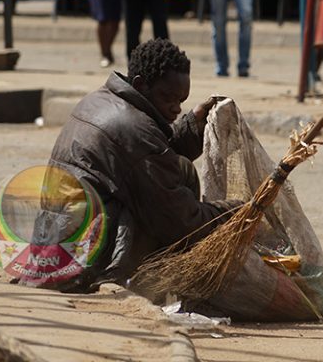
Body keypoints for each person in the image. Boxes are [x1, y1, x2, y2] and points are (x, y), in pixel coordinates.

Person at [46, 38, 243, 292]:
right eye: (168, 98)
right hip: (82, 257)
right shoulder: (135, 129)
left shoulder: (101, 99)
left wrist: (191, 126)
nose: (176, 108)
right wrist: (230, 213)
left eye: (181, 101)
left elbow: (150, 157)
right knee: (169, 204)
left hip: (57, 239)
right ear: (140, 85)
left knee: (179, 169)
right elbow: (179, 218)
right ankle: (136, 278)